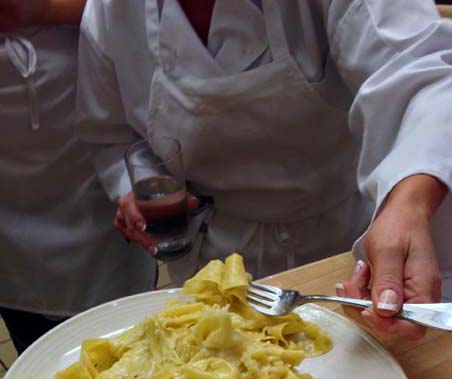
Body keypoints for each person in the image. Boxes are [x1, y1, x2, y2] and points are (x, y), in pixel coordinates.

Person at [77, 0, 452, 341]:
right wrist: (135, 188)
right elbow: (110, 137)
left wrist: (407, 206)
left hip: (347, 261)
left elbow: (425, 78)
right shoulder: (111, 13)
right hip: (214, 263)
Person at [0, 0, 157, 355]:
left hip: (94, 194)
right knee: (42, 365)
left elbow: (137, 12)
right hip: (9, 230)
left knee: (131, 348)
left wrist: (41, 11)